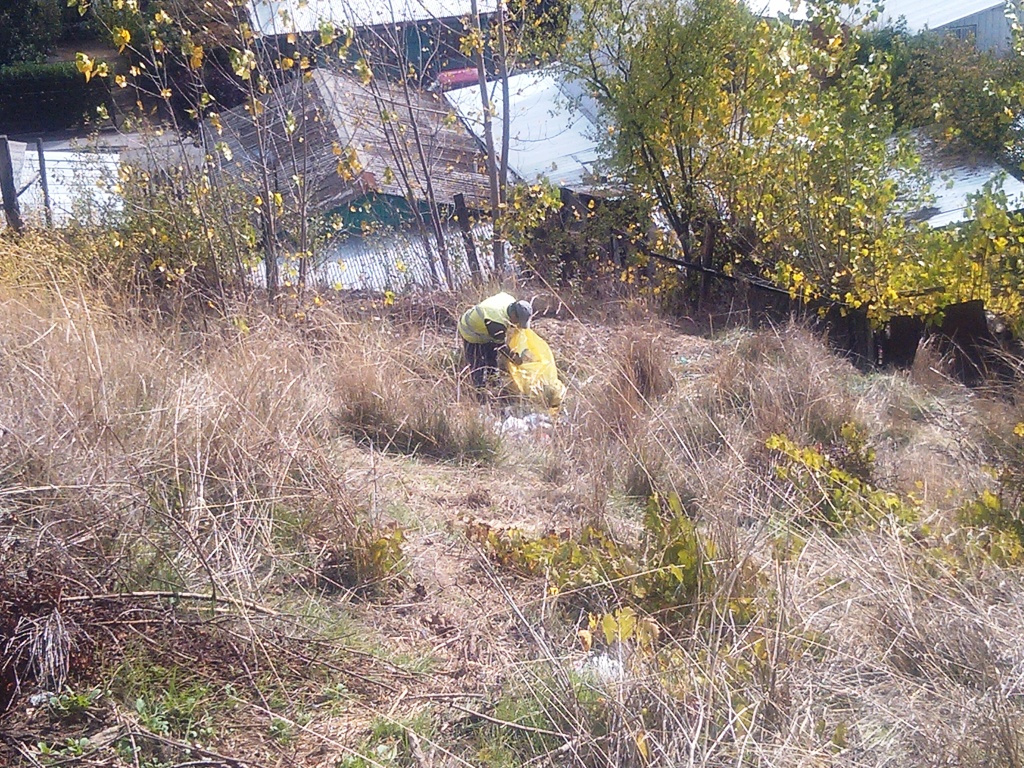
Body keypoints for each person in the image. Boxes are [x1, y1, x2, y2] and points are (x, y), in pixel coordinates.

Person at [458, 292, 533, 390]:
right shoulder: (497, 324)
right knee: (478, 365)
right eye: (518, 321)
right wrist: (514, 358)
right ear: (514, 315)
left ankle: (494, 383)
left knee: (492, 356)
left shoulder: (510, 300)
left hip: (485, 326)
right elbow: (501, 347)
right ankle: (480, 392)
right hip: (470, 330)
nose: (518, 324)